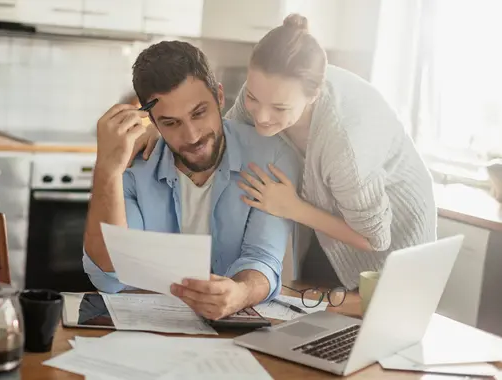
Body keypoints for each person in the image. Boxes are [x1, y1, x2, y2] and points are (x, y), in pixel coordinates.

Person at [132, 14, 437, 290]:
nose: (261, 117)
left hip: (392, 243)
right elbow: (225, 136)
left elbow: (374, 238)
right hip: (331, 226)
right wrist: (162, 127)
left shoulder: (345, 147)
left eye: (279, 107)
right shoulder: (267, 94)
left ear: (313, 95)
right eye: (252, 97)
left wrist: (293, 208)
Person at [82, 40, 301, 320]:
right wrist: (107, 171)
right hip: (150, 328)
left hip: (234, 331)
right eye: (171, 123)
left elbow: (263, 257)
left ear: (220, 97)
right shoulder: (133, 163)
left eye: (199, 113)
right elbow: (109, 268)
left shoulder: (271, 156)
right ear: (153, 121)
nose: (193, 136)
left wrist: (240, 292)